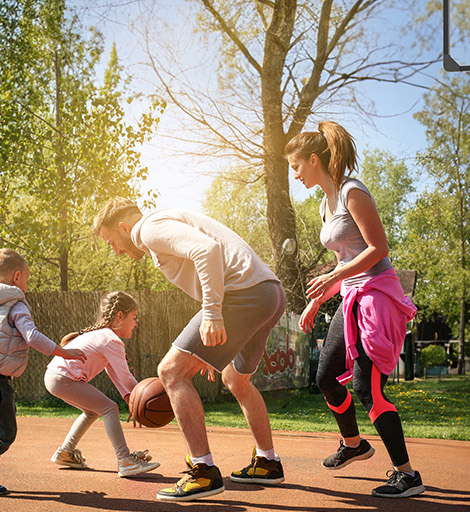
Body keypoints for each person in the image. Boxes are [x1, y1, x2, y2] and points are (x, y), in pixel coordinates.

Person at [93, 199, 286, 502]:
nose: (115, 250)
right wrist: (214, 342)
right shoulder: (165, 222)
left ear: (123, 227)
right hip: (269, 293)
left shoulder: (147, 229)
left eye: (112, 242)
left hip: (242, 294)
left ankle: (203, 471)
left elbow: (206, 251)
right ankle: (268, 462)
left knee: (170, 371)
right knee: (236, 380)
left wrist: (212, 313)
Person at [286, 121, 423, 498]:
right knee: (326, 377)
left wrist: (336, 273)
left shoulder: (351, 191)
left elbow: (378, 249)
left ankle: (407, 474)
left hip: (376, 296)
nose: (294, 174)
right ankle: (354, 444)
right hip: (349, 296)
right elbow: (345, 259)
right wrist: (318, 298)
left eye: (296, 166)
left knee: (366, 386)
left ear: (313, 160)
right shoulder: (323, 205)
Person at [0, 248, 84, 496]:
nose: (27, 284)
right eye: (27, 279)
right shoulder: (16, 303)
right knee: (5, 432)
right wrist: (63, 352)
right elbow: (32, 336)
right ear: (16, 277)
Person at [44, 291, 161, 478]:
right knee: (109, 408)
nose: (136, 323)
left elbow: (113, 372)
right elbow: (126, 377)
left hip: (56, 377)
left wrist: (129, 397)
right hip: (63, 378)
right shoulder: (111, 340)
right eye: (134, 317)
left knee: (92, 411)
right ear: (120, 316)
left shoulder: (103, 335)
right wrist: (140, 396)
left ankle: (66, 452)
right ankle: (125, 460)